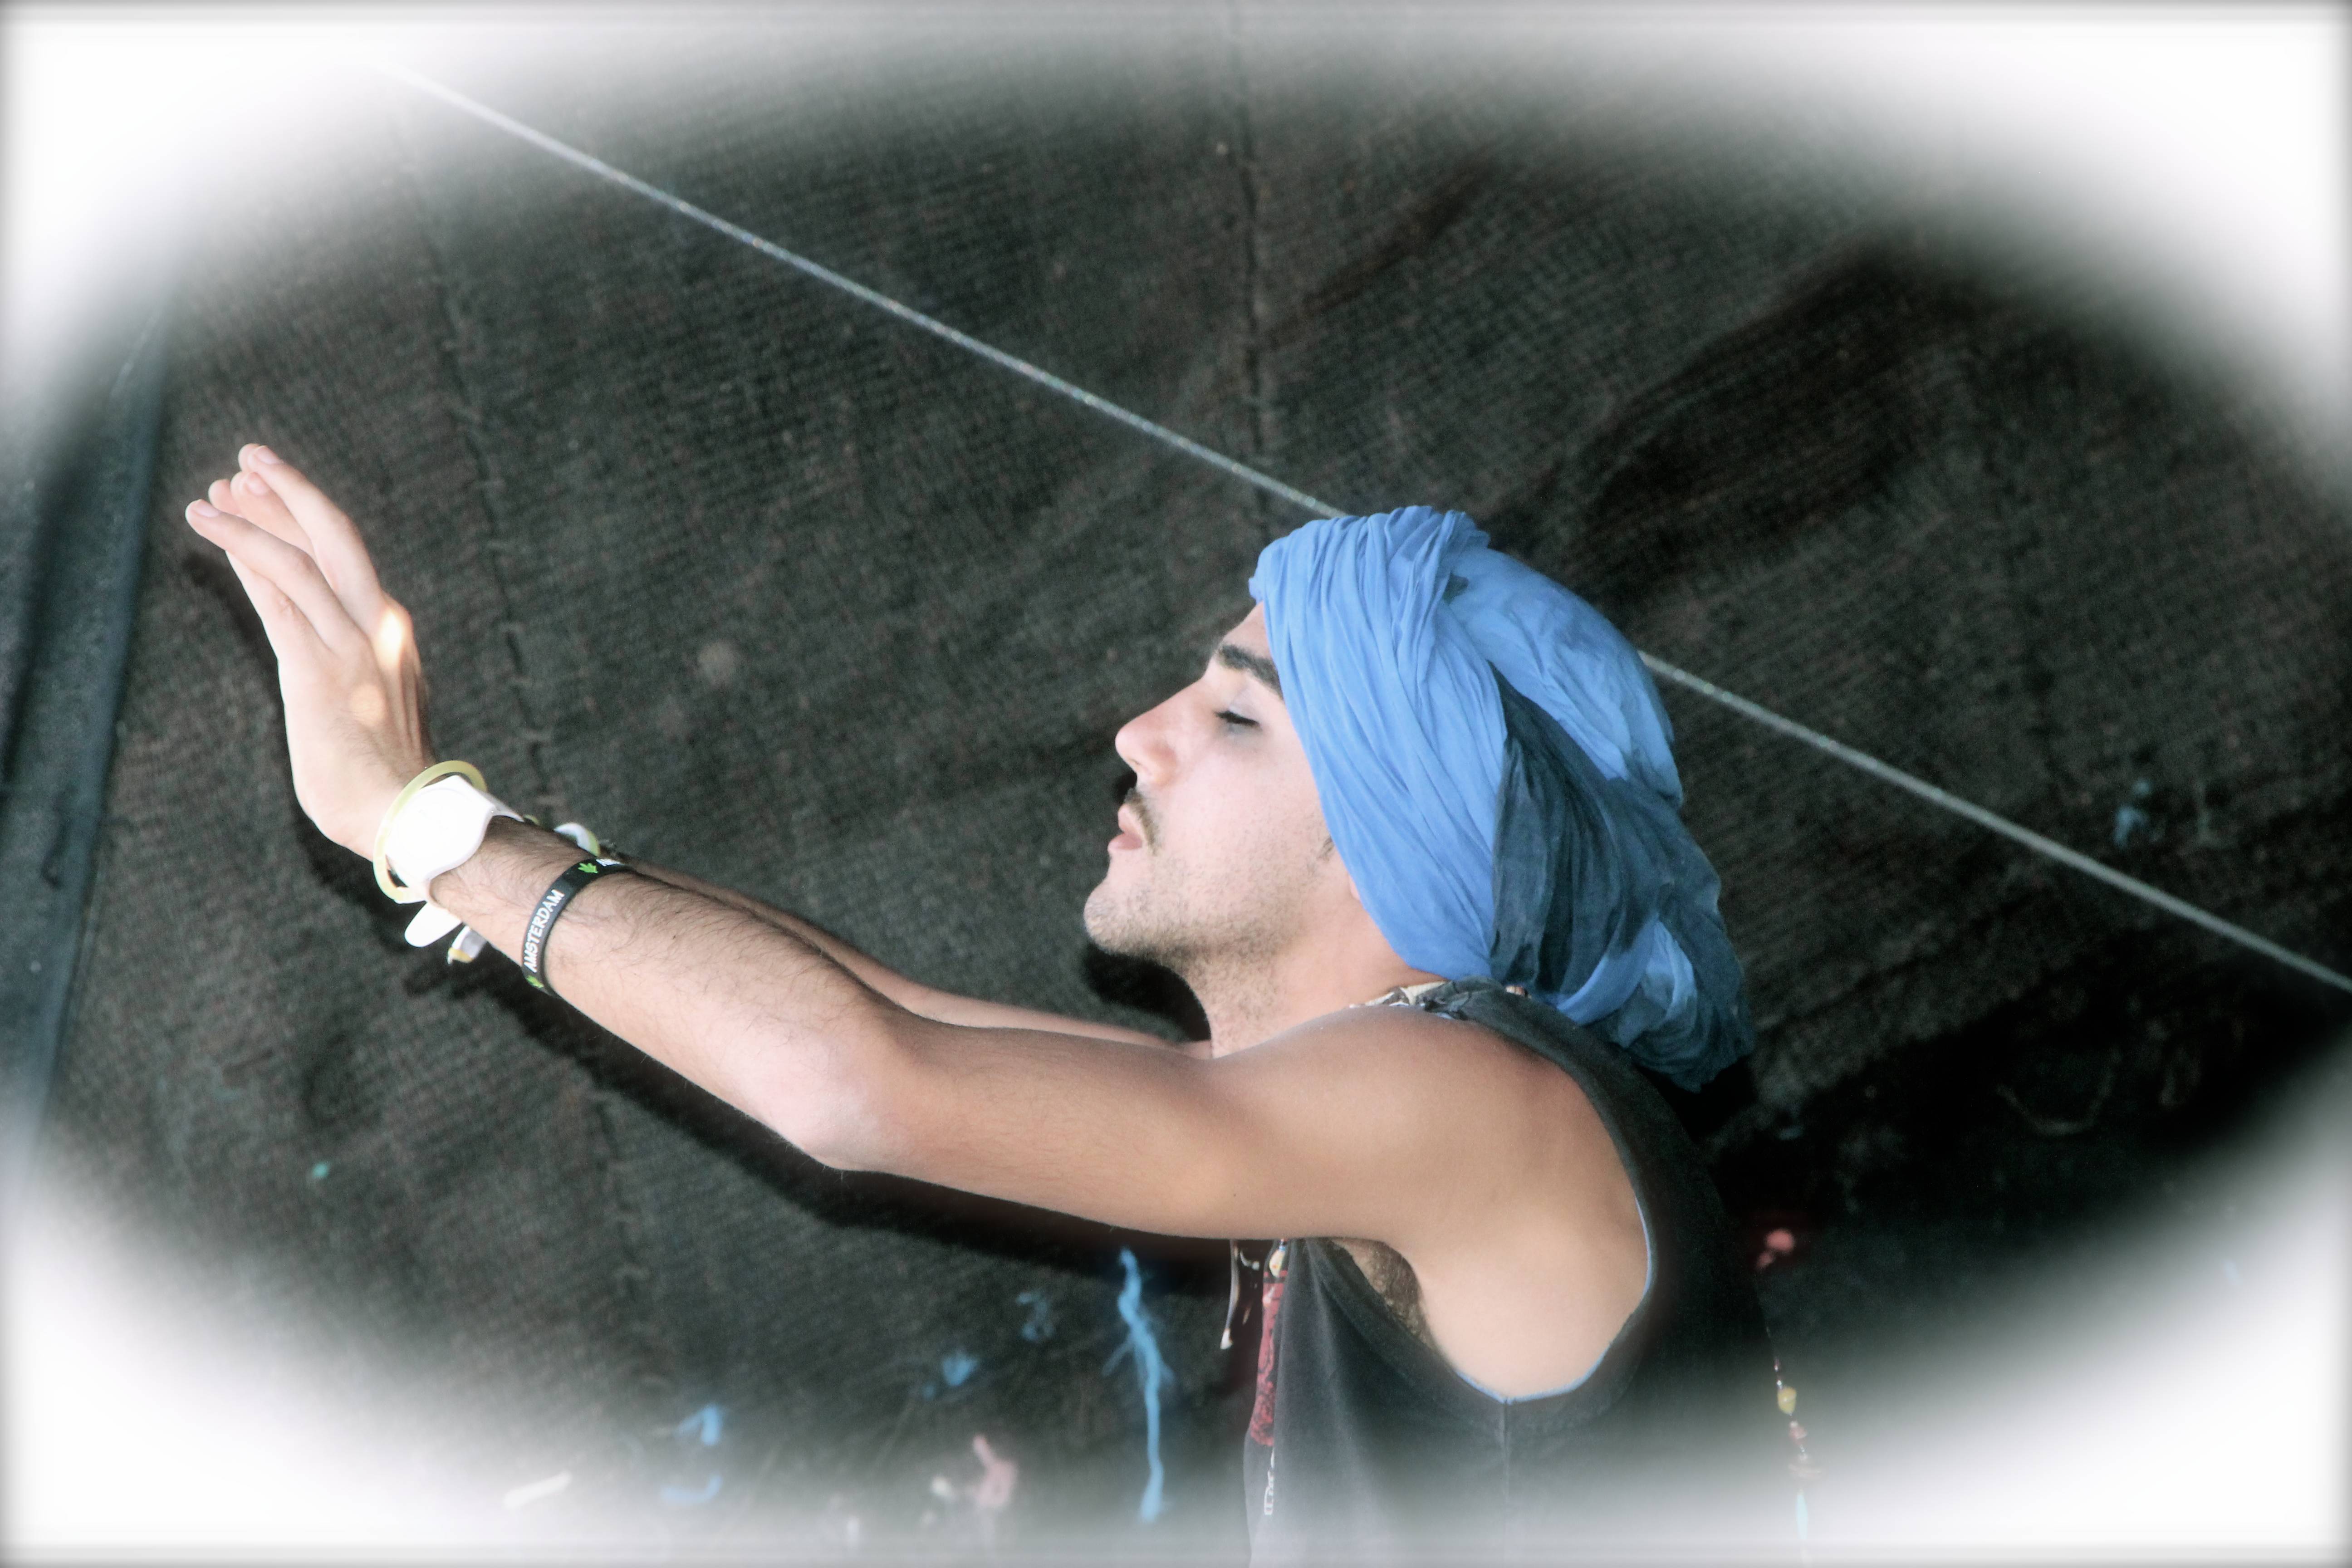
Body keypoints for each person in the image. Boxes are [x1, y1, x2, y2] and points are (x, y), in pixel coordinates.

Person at [185, 447, 1791, 1557]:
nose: (1141, 735)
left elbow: (857, 1084)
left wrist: (425, 829)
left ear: (1398, 848)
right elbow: (887, 1015)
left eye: (1238, 719)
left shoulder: (1486, 1107)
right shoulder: (1360, 1119)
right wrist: (467, 819)